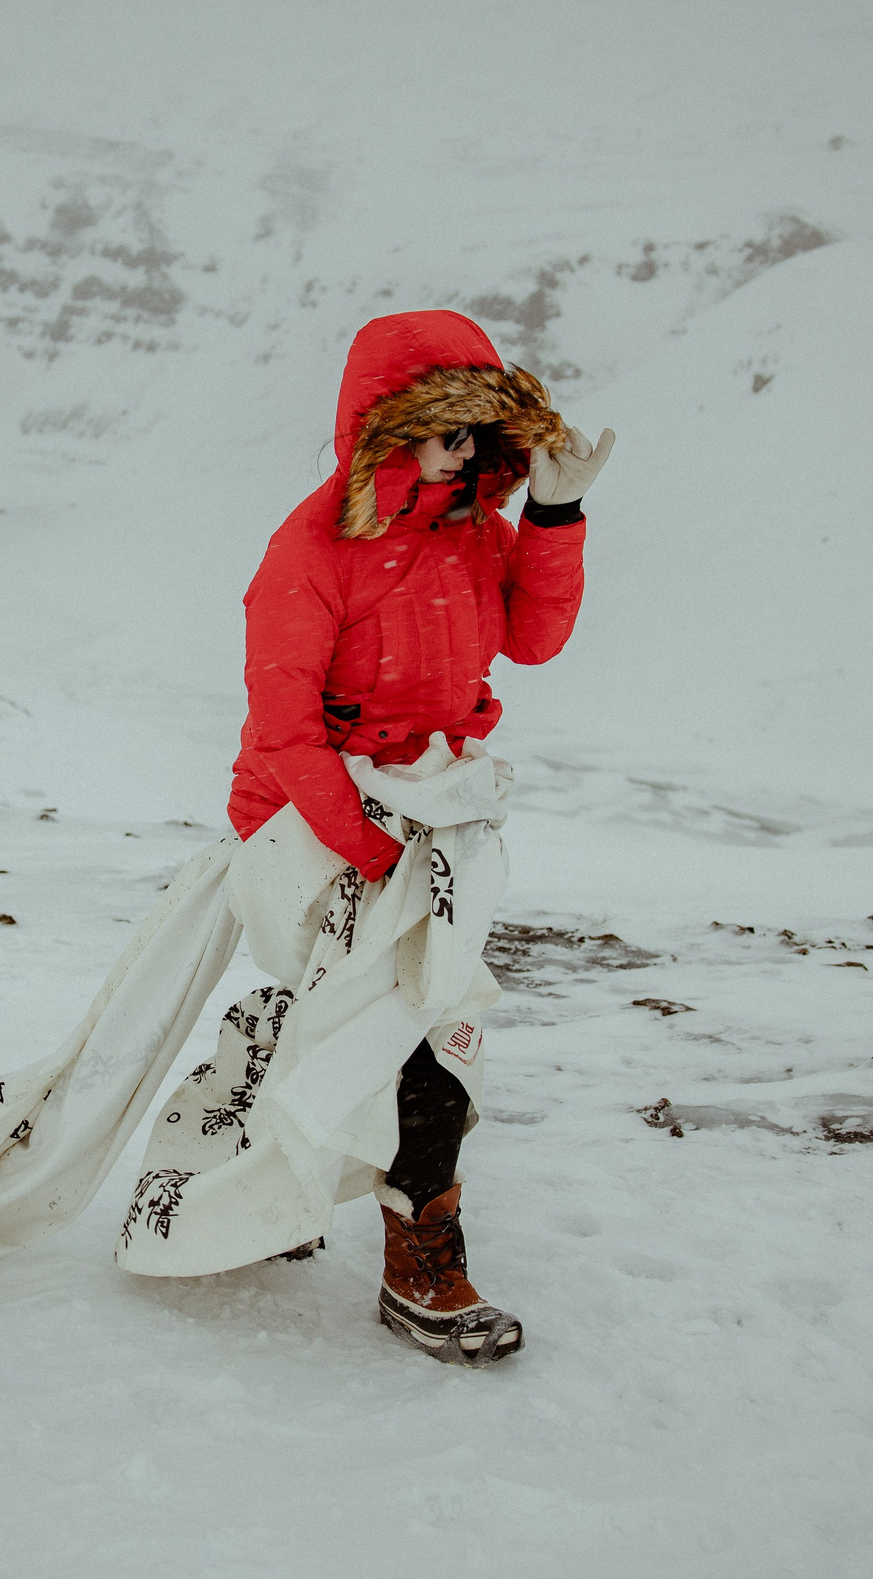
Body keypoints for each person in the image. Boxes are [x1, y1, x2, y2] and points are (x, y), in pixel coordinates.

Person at [228, 309, 611, 1361]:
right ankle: (418, 1266)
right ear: (390, 430)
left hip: (437, 817)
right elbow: (282, 732)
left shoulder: (473, 531)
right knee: (422, 1045)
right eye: (453, 432)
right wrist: (368, 849)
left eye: (486, 436)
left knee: (369, 1027)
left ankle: (262, 1188)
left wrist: (556, 515)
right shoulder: (308, 552)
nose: (474, 454)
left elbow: (532, 639)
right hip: (310, 828)